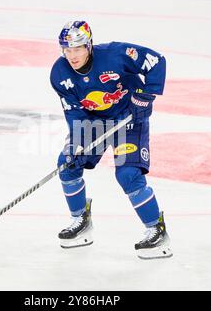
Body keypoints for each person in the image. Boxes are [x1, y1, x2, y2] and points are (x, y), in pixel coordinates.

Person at [50, 21, 172, 259]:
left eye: (77, 48)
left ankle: (156, 230)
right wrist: (78, 141)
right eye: (67, 49)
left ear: (89, 45)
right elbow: (74, 112)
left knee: (127, 175)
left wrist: (145, 96)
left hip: (129, 120)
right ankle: (80, 220)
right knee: (67, 164)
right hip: (93, 122)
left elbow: (156, 61)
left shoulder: (116, 54)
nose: (71, 55)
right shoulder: (59, 74)